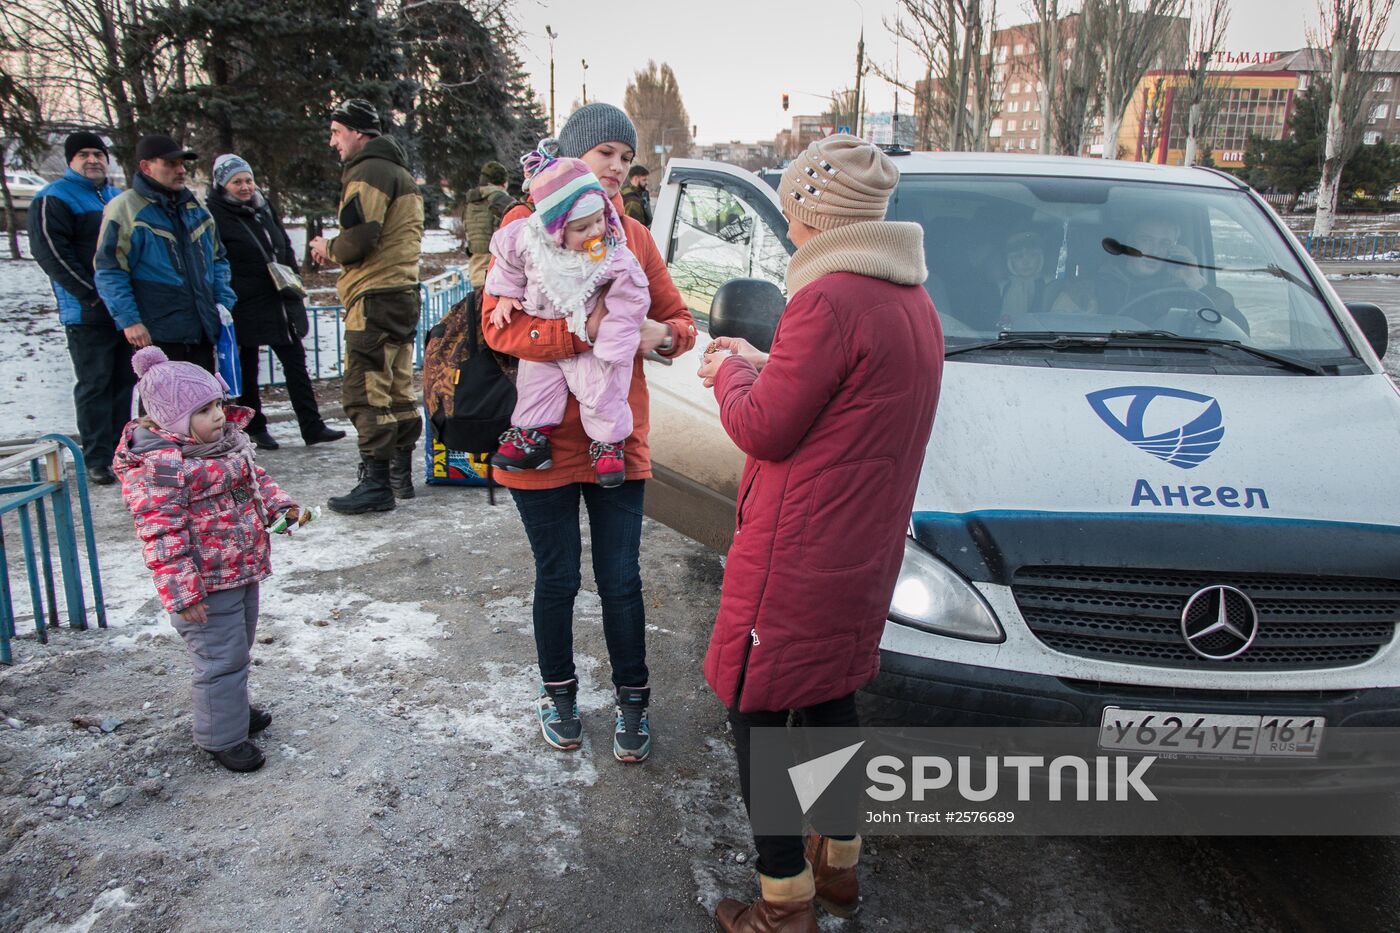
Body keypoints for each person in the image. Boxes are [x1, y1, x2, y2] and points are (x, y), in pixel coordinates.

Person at [695, 135, 943, 932]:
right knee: (830, 694)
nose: (789, 223)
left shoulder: (830, 297)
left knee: (756, 708)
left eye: (793, 205)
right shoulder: (909, 297)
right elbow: (842, 401)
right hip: (859, 550)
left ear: (813, 214)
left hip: (799, 554)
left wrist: (730, 369)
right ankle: (839, 864)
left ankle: (782, 901)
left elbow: (765, 426)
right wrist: (766, 355)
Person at [482, 103, 697, 763]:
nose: (618, 168)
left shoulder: (628, 234)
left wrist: (658, 336)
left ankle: (634, 701)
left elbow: (679, 324)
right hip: (540, 441)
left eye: (627, 159)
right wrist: (587, 329)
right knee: (557, 577)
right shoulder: (524, 227)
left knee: (622, 578)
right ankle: (561, 696)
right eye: (607, 153)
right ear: (572, 157)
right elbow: (497, 326)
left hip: (616, 441)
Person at [113, 346, 304, 773]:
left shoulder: (226, 445)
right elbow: (161, 534)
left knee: (238, 649)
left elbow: (258, 482)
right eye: (204, 410)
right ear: (172, 420)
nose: (218, 415)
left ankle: (230, 710)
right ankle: (222, 736)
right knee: (220, 658)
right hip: (204, 584)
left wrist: (281, 509)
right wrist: (182, 594)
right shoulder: (163, 467)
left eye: (218, 403)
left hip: (241, 569)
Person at [486, 151, 650, 488]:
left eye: (599, 220)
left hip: (590, 342)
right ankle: (531, 436)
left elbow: (633, 294)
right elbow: (507, 261)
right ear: (555, 230)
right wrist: (505, 294)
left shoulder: (613, 253)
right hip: (541, 334)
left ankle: (608, 445)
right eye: (581, 227)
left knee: (601, 390)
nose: (594, 231)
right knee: (534, 387)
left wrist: (614, 340)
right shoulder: (528, 238)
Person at [309, 99, 425, 513]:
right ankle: (400, 478)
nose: (333, 142)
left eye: (337, 132)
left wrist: (328, 248)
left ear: (358, 132)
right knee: (397, 387)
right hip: (401, 291)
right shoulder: (400, 174)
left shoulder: (368, 171)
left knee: (366, 389)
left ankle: (376, 485)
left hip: (372, 294)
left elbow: (359, 240)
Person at [207, 153, 345, 451]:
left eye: (248, 180)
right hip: (246, 299)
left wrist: (293, 277)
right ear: (222, 185)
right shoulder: (215, 214)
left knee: (296, 363)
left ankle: (312, 425)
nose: (245, 187)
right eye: (236, 182)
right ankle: (256, 427)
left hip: (279, 297)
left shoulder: (263, 207)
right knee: (249, 366)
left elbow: (282, 244)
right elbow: (219, 259)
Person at [30, 132, 130, 485]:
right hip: (86, 310)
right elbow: (51, 254)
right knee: (95, 383)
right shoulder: (54, 197)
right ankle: (97, 457)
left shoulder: (118, 197)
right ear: (71, 160)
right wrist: (90, 293)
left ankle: (122, 452)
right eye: (84, 154)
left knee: (124, 381)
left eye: (99, 154)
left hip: (124, 308)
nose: (93, 160)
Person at [94, 133, 238, 374]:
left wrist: (223, 302)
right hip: (157, 332)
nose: (180, 170)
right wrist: (129, 320)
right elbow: (110, 269)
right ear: (146, 166)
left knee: (204, 403)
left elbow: (218, 259)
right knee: (162, 406)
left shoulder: (196, 209)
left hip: (202, 327)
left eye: (182, 164)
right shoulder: (125, 208)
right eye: (170, 164)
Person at [463, 160, 516, 289]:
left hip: (476, 267)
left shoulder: (470, 202)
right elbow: (520, 218)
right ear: (503, 182)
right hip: (496, 269)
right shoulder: (500, 199)